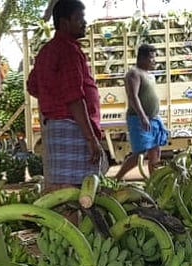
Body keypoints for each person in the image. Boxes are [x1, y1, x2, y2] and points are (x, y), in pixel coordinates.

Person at [27, 0, 107, 190]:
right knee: (72, 191)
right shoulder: (68, 51)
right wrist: (90, 139)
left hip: (56, 126)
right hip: (72, 127)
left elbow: (33, 86)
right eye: (79, 19)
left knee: (61, 189)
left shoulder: (47, 50)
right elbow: (74, 97)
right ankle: (72, 221)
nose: (84, 23)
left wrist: (52, 100)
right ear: (64, 23)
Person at [114, 43, 169, 180]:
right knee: (140, 153)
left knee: (155, 150)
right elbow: (133, 96)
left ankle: (154, 181)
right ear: (142, 58)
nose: (154, 61)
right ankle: (117, 178)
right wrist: (142, 116)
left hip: (154, 118)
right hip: (138, 119)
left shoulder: (150, 75)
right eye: (151, 58)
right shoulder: (134, 74)